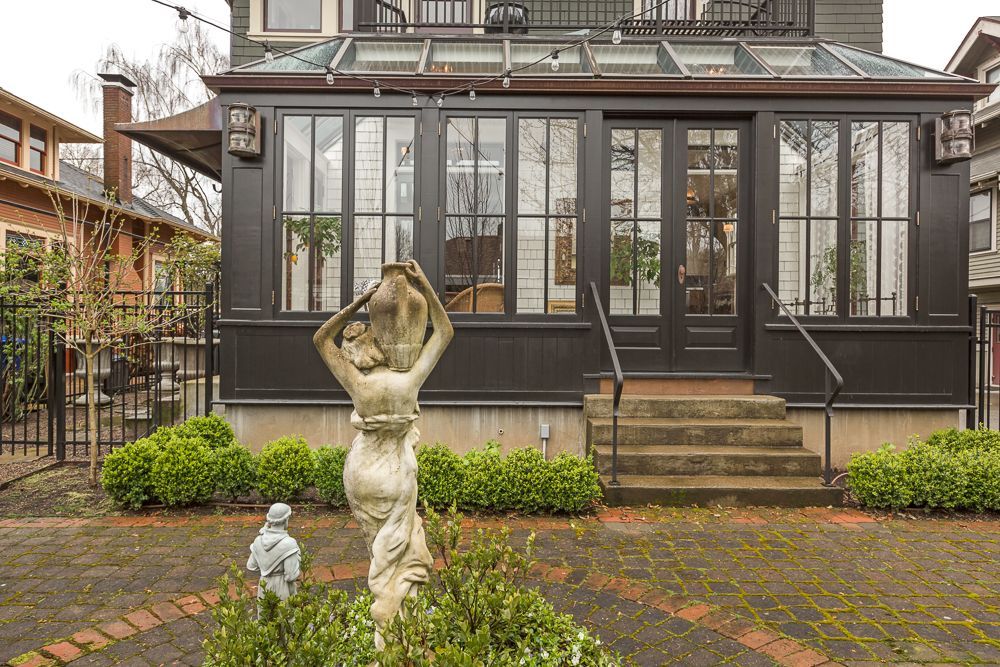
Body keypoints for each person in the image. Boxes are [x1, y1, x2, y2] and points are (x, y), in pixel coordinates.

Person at [313, 260, 453, 648]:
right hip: (395, 473)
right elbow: (444, 331)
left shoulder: (358, 382)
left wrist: (358, 302)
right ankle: (398, 633)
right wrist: (424, 285)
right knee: (399, 555)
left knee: (378, 551)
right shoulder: (409, 380)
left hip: (361, 473)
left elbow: (322, 339)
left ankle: (387, 637)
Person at [247, 502, 301, 614]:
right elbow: (291, 576)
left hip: (264, 585)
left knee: (266, 618)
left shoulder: (258, 540)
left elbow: (251, 566)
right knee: (286, 619)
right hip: (282, 586)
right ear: (286, 520)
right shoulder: (289, 543)